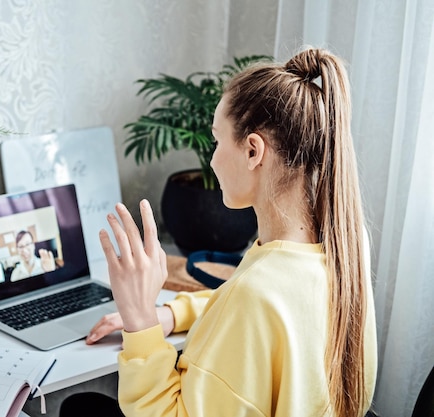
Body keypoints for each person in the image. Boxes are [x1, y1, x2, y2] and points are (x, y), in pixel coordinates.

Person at [80, 48, 378, 417]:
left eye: (217, 141)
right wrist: (173, 314)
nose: (212, 159)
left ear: (254, 151)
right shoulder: (346, 244)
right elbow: (271, 311)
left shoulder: (256, 295)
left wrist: (139, 315)